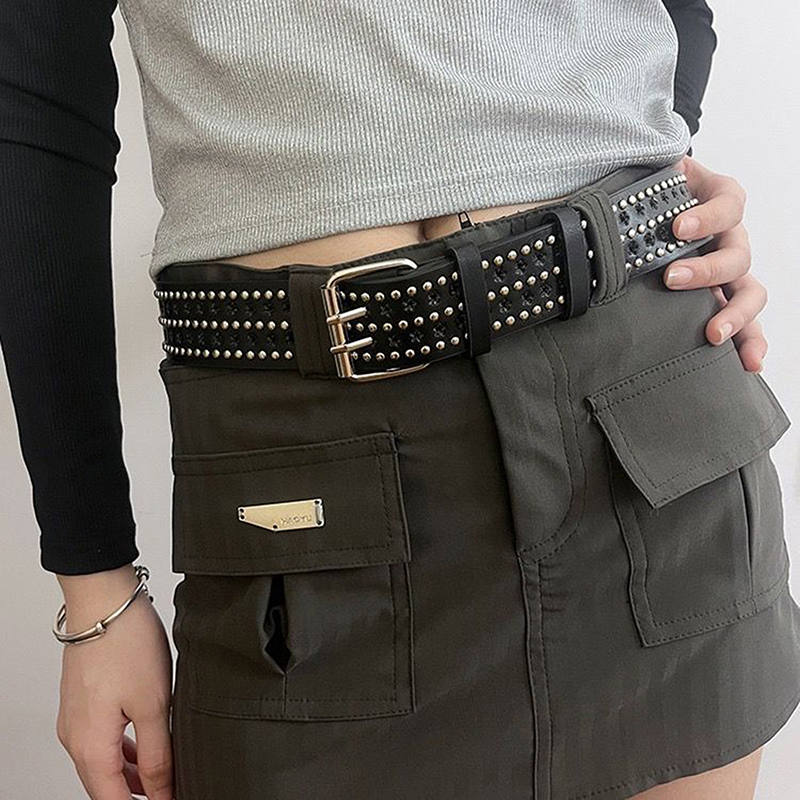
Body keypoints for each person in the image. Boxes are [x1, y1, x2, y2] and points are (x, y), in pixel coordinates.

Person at [1, 1, 797, 799]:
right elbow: (35, 118)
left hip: (641, 403)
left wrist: (661, 196)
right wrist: (95, 585)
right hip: (307, 466)